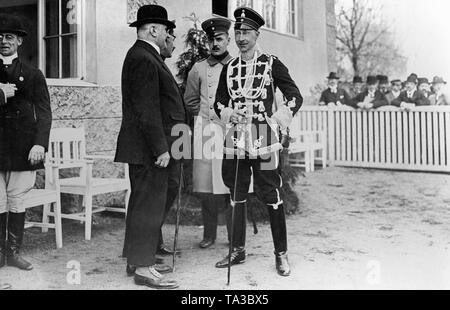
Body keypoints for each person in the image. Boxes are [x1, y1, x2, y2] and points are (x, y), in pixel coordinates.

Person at [213, 7, 303, 277]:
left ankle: (281, 254)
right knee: (235, 192)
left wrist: (276, 121)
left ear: (257, 34)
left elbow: (294, 95)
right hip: (236, 137)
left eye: (246, 32)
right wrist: (229, 113)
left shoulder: (271, 63)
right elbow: (218, 102)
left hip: (263, 136)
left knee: (271, 193)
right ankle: (238, 250)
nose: (241, 37)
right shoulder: (229, 68)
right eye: (237, 32)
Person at [114, 4, 185, 289]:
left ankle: (137, 259)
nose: (168, 34)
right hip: (149, 148)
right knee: (147, 204)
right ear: (154, 30)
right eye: (166, 30)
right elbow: (147, 109)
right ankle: (143, 268)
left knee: (145, 203)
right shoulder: (144, 58)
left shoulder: (144, 56)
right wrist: (161, 148)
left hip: (149, 146)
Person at [0, 14, 52, 272]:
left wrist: (40, 144)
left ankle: (13, 253)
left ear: (19, 41)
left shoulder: (32, 74)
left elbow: (44, 112)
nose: (3, 41)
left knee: (16, 200)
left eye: (9, 36)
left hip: (22, 146)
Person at [184, 17, 233, 249]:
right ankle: (209, 234)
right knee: (207, 188)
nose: (215, 43)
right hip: (205, 133)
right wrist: (205, 119)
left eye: (219, 39)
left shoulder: (237, 67)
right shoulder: (198, 68)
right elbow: (190, 101)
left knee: (231, 183)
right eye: (211, 39)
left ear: (228, 40)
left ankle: (235, 236)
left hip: (230, 133)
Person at [156, 21, 180, 258]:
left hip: (176, 137)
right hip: (162, 141)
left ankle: (155, 239)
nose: (172, 45)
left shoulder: (163, 65)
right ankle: (152, 241)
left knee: (172, 186)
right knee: (162, 190)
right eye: (171, 39)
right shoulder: (153, 63)